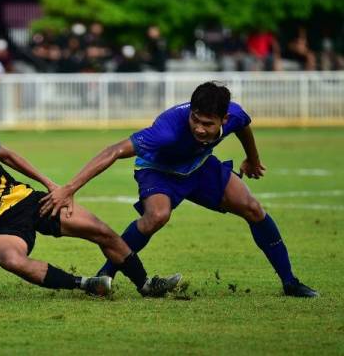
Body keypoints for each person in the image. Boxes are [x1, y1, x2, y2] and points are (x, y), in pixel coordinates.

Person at [0, 87, 181, 298]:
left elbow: (10, 157)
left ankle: (145, 285)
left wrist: (51, 186)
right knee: (10, 259)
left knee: (101, 231)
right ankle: (86, 284)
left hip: (29, 201)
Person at [40, 81, 318, 298]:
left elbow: (244, 126)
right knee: (156, 217)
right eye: (195, 120)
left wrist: (253, 160)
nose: (198, 128)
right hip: (158, 170)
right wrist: (70, 188)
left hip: (198, 167)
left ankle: (290, 283)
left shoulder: (234, 115)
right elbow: (113, 150)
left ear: (223, 119)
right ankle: (104, 276)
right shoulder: (167, 130)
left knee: (254, 209)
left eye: (207, 124)